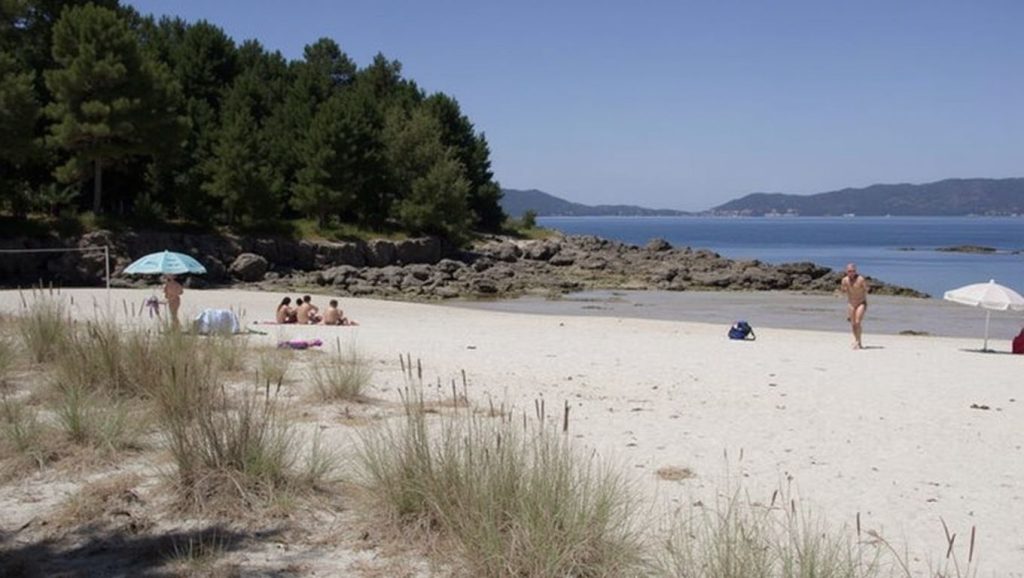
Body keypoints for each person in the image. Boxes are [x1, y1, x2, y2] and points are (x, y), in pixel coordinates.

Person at [839, 262, 869, 349]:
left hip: (861, 303)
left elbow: (866, 289)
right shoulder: (845, 280)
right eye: (849, 271)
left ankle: (858, 342)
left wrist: (867, 289)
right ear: (846, 271)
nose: (851, 273)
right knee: (853, 324)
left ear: (855, 271)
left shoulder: (860, 279)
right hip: (851, 304)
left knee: (857, 322)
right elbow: (843, 290)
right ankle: (857, 341)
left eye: (853, 271)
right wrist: (841, 292)